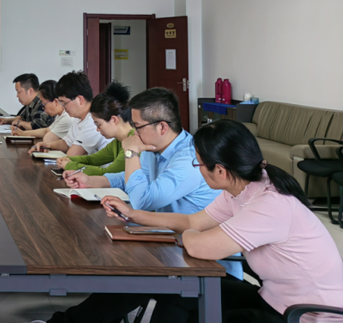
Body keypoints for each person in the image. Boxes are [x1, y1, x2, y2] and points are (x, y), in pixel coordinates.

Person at [43, 119, 343, 323]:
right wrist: (133, 214)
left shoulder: (270, 204)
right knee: (169, 287)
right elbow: (193, 221)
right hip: (273, 298)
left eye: (199, 163)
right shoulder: (242, 188)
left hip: (303, 315)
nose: (197, 169)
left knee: (181, 294)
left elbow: (199, 245)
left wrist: (186, 236)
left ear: (220, 170)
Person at [63, 87, 219, 214]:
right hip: (162, 229)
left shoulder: (189, 159)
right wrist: (91, 181)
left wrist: (131, 152)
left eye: (137, 126)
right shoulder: (153, 147)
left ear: (162, 127)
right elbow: (133, 178)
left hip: (183, 238)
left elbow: (142, 201)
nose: (134, 133)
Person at [55, 81, 134, 174]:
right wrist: (68, 159)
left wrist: (69, 165)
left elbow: (108, 173)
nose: (97, 129)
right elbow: (92, 160)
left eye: (99, 124)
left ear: (114, 120)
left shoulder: (132, 142)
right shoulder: (117, 142)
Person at [29, 71, 110, 156]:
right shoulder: (78, 117)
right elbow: (67, 143)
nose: (63, 107)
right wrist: (48, 146)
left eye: (64, 103)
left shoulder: (93, 121)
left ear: (80, 100)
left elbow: (72, 154)